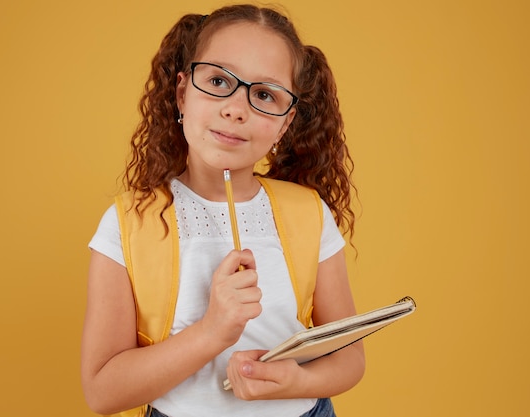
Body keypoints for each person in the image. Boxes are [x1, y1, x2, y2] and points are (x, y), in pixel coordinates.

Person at [81, 4, 365, 417]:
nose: (236, 109)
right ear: (182, 94)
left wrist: (297, 381)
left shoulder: (308, 214)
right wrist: (213, 332)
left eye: (264, 94)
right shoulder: (128, 224)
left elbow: (350, 359)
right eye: (217, 81)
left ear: (285, 124)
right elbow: (102, 393)